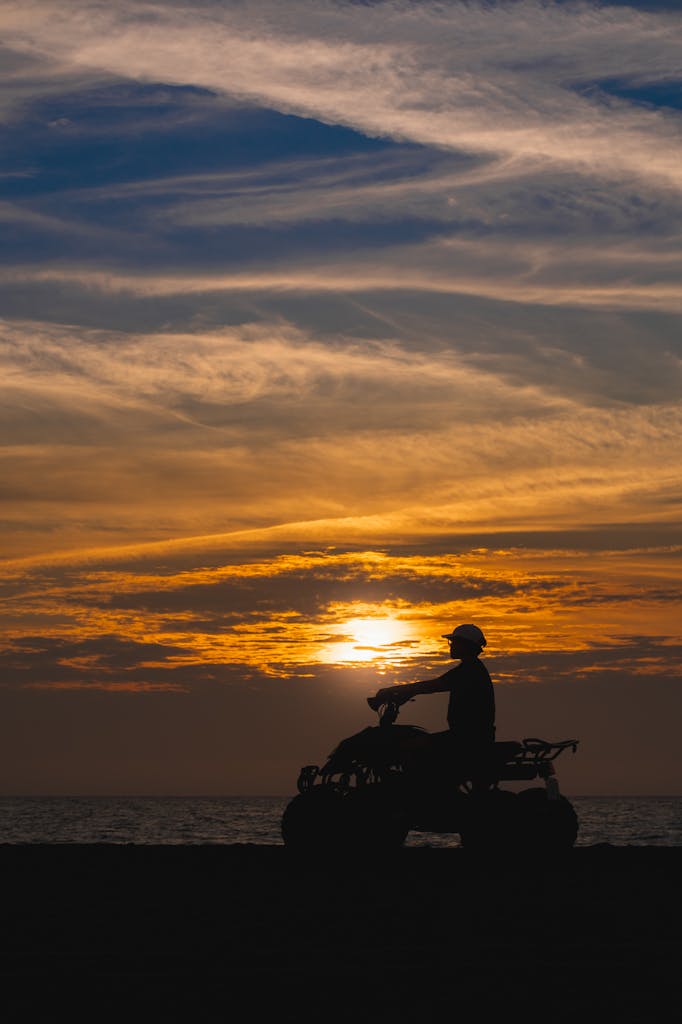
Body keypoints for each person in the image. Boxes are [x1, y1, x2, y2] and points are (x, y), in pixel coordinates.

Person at [370, 623, 495, 778]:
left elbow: (433, 685)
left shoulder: (468, 671)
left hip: (465, 739)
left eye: (454, 642)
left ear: (466, 645)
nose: (451, 646)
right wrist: (408, 693)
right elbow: (434, 685)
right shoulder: (472, 669)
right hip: (471, 737)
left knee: (406, 747)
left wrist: (395, 690)